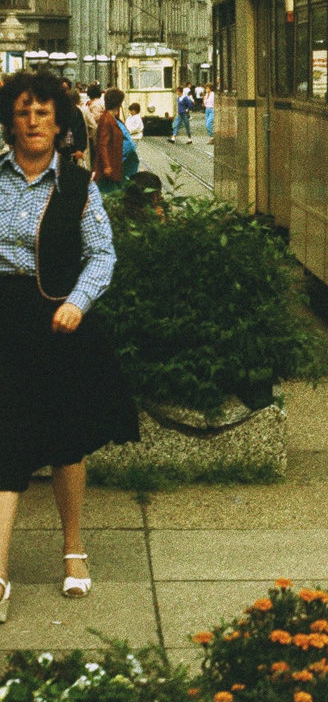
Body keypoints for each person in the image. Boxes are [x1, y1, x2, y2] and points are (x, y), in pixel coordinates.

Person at [0, 70, 139, 623]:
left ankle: (73, 548)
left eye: (42, 112)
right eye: (22, 111)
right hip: (3, 321)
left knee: (66, 442)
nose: (32, 121)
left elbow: (102, 254)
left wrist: (78, 301)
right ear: (9, 121)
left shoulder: (77, 186)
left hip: (59, 322)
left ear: (60, 121)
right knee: (5, 442)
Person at [92, 88, 138, 196]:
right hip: (109, 166)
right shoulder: (107, 119)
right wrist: (107, 166)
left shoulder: (111, 118)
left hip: (115, 163)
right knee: (108, 193)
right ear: (118, 103)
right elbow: (103, 144)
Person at [58, 79, 89, 168]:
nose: (64, 92)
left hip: (72, 150)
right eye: (62, 90)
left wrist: (80, 149)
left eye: (66, 89)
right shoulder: (53, 110)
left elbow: (81, 131)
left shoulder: (75, 111)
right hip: (58, 151)